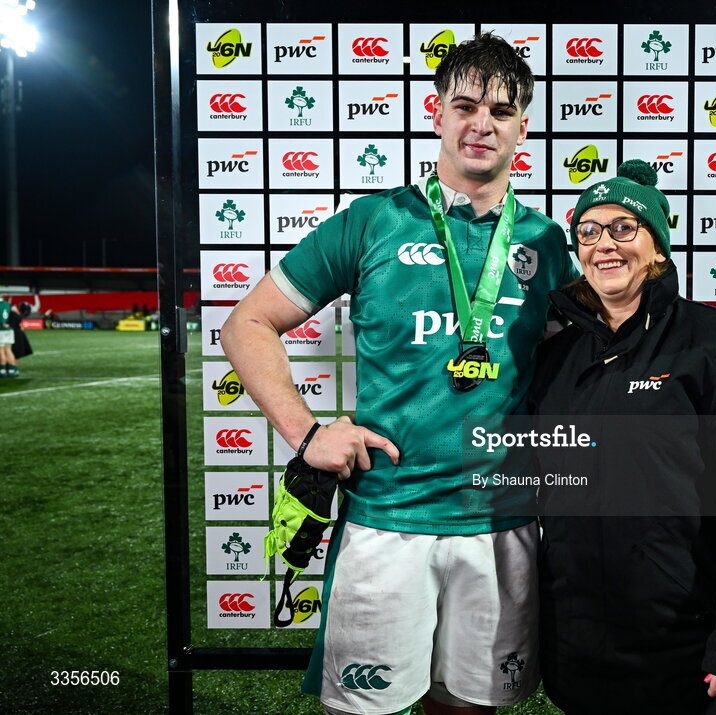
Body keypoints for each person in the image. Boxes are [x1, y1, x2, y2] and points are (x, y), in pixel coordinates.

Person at [221, 33, 576, 715]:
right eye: (465, 104)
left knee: (467, 708)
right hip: (385, 520)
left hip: (499, 523)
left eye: (501, 111)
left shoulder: (545, 244)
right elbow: (246, 325)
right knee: (362, 710)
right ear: (435, 112)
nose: (481, 124)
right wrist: (305, 433)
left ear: (522, 128)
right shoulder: (372, 220)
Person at [529, 161, 716, 714]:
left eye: (624, 228)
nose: (604, 244)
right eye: (589, 230)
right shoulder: (553, 358)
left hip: (688, 657)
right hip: (579, 655)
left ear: (658, 248)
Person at [0, 297, 15, 377]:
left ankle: (2, 371)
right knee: (9, 350)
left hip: (1, 330)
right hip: (9, 330)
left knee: (1, 351)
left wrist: (3, 322)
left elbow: (2, 318)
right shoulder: (7, 304)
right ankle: (12, 370)